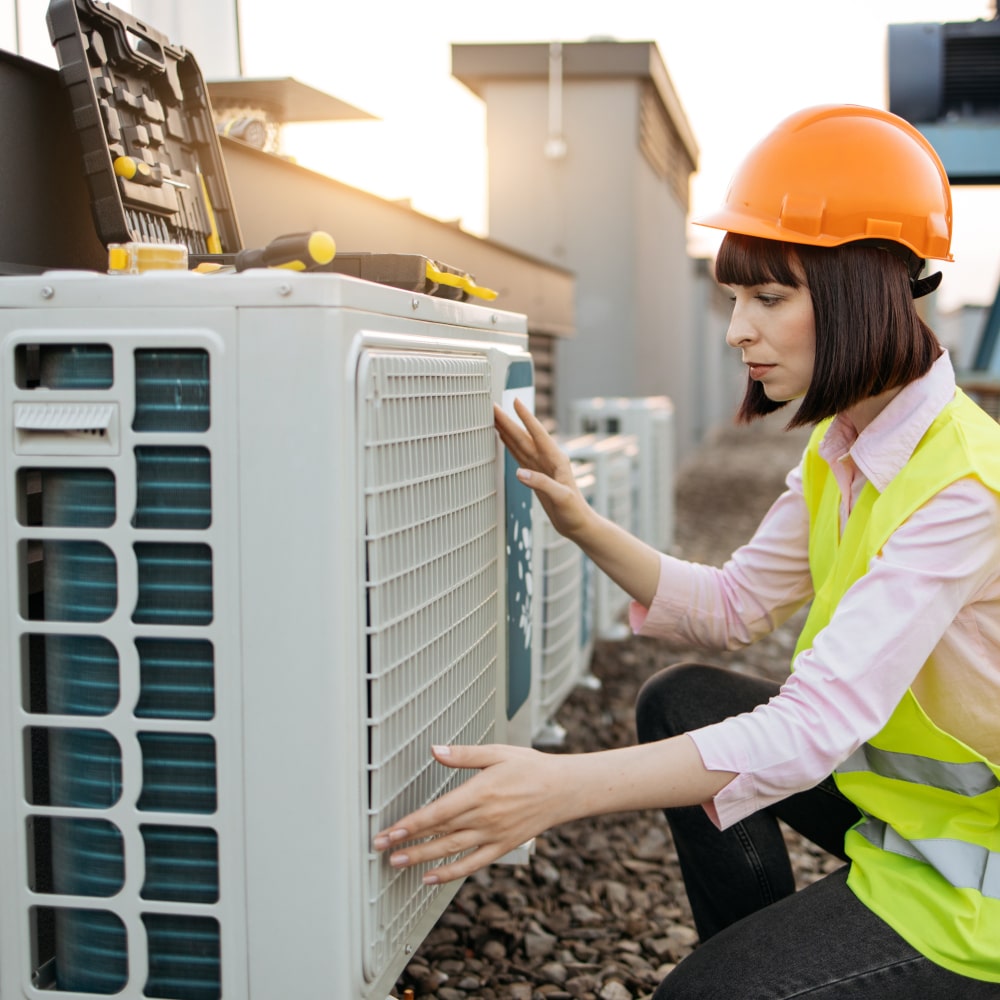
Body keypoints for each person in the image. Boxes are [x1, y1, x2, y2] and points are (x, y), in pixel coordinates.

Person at [374, 104, 1000, 998]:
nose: (738, 329)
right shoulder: (849, 447)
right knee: (682, 701)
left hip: (975, 886)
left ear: (861, 290)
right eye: (735, 298)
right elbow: (733, 607)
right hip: (910, 817)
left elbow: (811, 726)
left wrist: (558, 787)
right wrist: (581, 519)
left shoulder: (964, 487)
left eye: (768, 299)